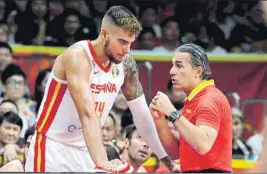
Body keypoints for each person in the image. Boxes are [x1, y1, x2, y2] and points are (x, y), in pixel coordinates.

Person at [25, 6, 171, 172]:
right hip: (52, 147)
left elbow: (141, 114)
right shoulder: (78, 57)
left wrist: (165, 158)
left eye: (130, 43)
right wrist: (104, 162)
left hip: (86, 150)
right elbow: (88, 114)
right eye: (122, 42)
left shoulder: (125, 63)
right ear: (104, 35)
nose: (127, 50)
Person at [150, 43, 232, 173]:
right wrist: (160, 120)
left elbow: (203, 145)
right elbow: (176, 153)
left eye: (179, 65)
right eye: (172, 65)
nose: (171, 71)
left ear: (198, 71)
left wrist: (171, 112)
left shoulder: (209, 99)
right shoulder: (192, 100)